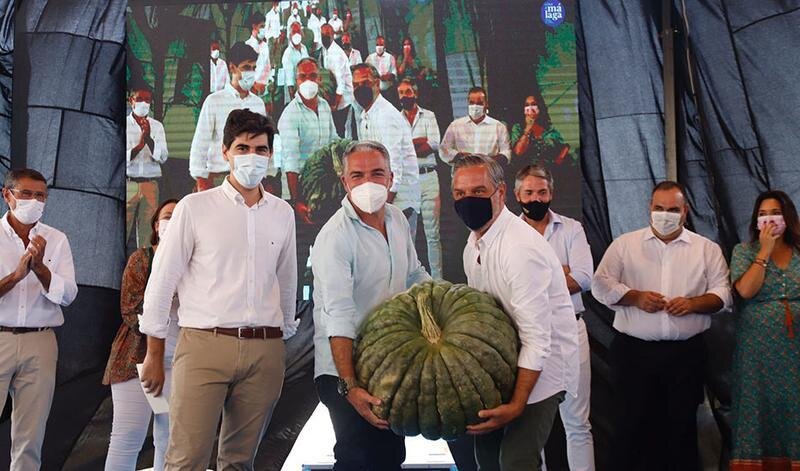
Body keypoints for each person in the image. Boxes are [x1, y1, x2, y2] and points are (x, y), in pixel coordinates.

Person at [140, 109, 296, 469]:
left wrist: (282, 335)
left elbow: (287, 280)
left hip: (265, 349)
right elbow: (162, 280)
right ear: (225, 152)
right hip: (204, 345)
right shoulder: (195, 207)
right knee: (186, 460)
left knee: (240, 463)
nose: (252, 157)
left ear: (271, 154)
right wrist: (153, 351)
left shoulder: (281, 212)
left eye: (260, 149)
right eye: (243, 148)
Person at [591, 181, 732, 471]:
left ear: (685, 211)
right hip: (634, 354)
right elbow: (599, 286)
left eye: (672, 209)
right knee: (630, 428)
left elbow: (724, 294)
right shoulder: (625, 245)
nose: (665, 214)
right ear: (649, 208)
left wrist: (694, 304)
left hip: (686, 356)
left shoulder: (706, 249)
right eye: (659, 208)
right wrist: (635, 297)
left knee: (680, 431)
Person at [451, 154, 579, 471]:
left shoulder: (519, 249)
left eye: (478, 192)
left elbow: (538, 339)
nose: (468, 200)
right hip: (503, 365)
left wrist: (517, 404)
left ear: (500, 192)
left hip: (543, 371)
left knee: (515, 463)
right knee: (487, 461)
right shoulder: (473, 245)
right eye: (460, 193)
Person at [312, 140, 431, 470]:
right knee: (357, 458)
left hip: (387, 363)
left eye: (377, 173)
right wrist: (349, 387)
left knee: (390, 458)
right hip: (343, 368)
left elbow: (414, 274)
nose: (368, 182)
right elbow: (338, 316)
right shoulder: (335, 237)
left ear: (391, 178)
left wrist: (444, 301)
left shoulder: (396, 219)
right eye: (358, 175)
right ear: (345, 182)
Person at [514, 165, 595, 471]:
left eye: (542, 192)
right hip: (529, 336)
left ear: (552, 193)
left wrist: (536, 279)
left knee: (577, 422)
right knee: (534, 424)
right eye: (530, 192)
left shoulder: (571, 229)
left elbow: (585, 277)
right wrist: (560, 272)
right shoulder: (510, 233)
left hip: (571, 332)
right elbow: (511, 286)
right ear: (517, 194)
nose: (536, 198)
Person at [0, 169, 78, 470]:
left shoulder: (56, 240)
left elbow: (69, 295)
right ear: (7, 195)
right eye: (26, 194)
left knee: (30, 435)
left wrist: (41, 270)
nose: (34, 200)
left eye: (41, 195)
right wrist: (17, 275)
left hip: (40, 340)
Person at [103, 199, 180, 471]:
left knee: (169, 440)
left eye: (179, 216)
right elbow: (130, 309)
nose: (173, 220)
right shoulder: (141, 258)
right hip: (136, 361)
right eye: (168, 216)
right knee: (127, 437)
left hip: (180, 362)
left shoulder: (198, 263)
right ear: (156, 225)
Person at [729, 190, 800, 470]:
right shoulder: (743, 252)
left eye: (775, 213)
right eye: (762, 214)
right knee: (757, 408)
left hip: (795, 351)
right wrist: (765, 252)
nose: (769, 219)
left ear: (788, 217)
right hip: (757, 351)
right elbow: (746, 290)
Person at [352, 63, 420, 237]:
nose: (360, 89)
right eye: (356, 85)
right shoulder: (365, 116)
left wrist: (380, 208)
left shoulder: (386, 115)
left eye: (365, 83)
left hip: (399, 201)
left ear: (377, 83)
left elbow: (394, 167)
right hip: (382, 200)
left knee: (400, 258)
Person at [189, 42, 266, 191]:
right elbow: (200, 144)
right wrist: (201, 179)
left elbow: (263, 143)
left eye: (254, 68)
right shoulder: (215, 101)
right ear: (232, 67)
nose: (251, 72)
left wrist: (266, 176)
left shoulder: (258, 104)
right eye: (246, 68)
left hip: (250, 180)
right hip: (219, 177)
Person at [397, 78, 442, 279]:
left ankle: (438, 280)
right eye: (401, 93)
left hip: (429, 177)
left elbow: (433, 144)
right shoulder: (396, 119)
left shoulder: (429, 116)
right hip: (408, 181)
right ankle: (411, 282)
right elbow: (398, 149)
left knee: (433, 234)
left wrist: (410, 147)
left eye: (408, 92)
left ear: (415, 93)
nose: (405, 95)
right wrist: (419, 143)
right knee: (409, 235)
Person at [126, 83, 168, 249]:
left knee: (147, 236)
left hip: (150, 184)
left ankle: (144, 272)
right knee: (123, 229)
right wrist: (140, 144)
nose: (144, 104)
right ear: (131, 101)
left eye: (148, 100)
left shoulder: (157, 126)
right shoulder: (124, 125)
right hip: (129, 184)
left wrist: (149, 140)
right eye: (140, 99)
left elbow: (163, 157)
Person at [440, 86, 511, 167]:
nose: (475, 106)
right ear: (468, 103)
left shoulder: (499, 127)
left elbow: (506, 153)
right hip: (463, 174)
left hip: (488, 174)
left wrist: (486, 161)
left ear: (486, 104)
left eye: (480, 103)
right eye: (472, 102)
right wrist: (462, 156)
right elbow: (443, 150)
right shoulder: (455, 126)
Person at [317, 23, 354, 137]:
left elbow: (341, 84)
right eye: (322, 34)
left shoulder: (337, 54)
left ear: (333, 35)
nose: (324, 36)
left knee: (340, 130)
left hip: (343, 98)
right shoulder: (324, 50)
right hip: (333, 94)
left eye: (327, 34)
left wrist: (335, 105)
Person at [281, 22, 309, 104]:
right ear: (290, 35)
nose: (296, 34)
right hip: (294, 94)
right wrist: (293, 99)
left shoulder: (304, 48)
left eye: (298, 31)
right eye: (294, 32)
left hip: (305, 90)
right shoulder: (288, 53)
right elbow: (289, 79)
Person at [244, 12, 272, 96]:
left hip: (264, 90)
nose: (263, 29)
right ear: (254, 26)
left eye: (264, 26)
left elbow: (267, 67)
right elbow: (245, 71)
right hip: (251, 90)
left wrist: (266, 84)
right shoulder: (247, 45)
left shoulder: (265, 46)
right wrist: (254, 86)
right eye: (261, 26)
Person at [365, 36, 398, 105]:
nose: (379, 47)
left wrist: (388, 76)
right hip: (375, 93)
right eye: (377, 45)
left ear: (384, 45)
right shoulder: (370, 58)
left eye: (381, 45)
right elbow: (365, 73)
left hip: (388, 92)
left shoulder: (390, 57)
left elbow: (394, 74)